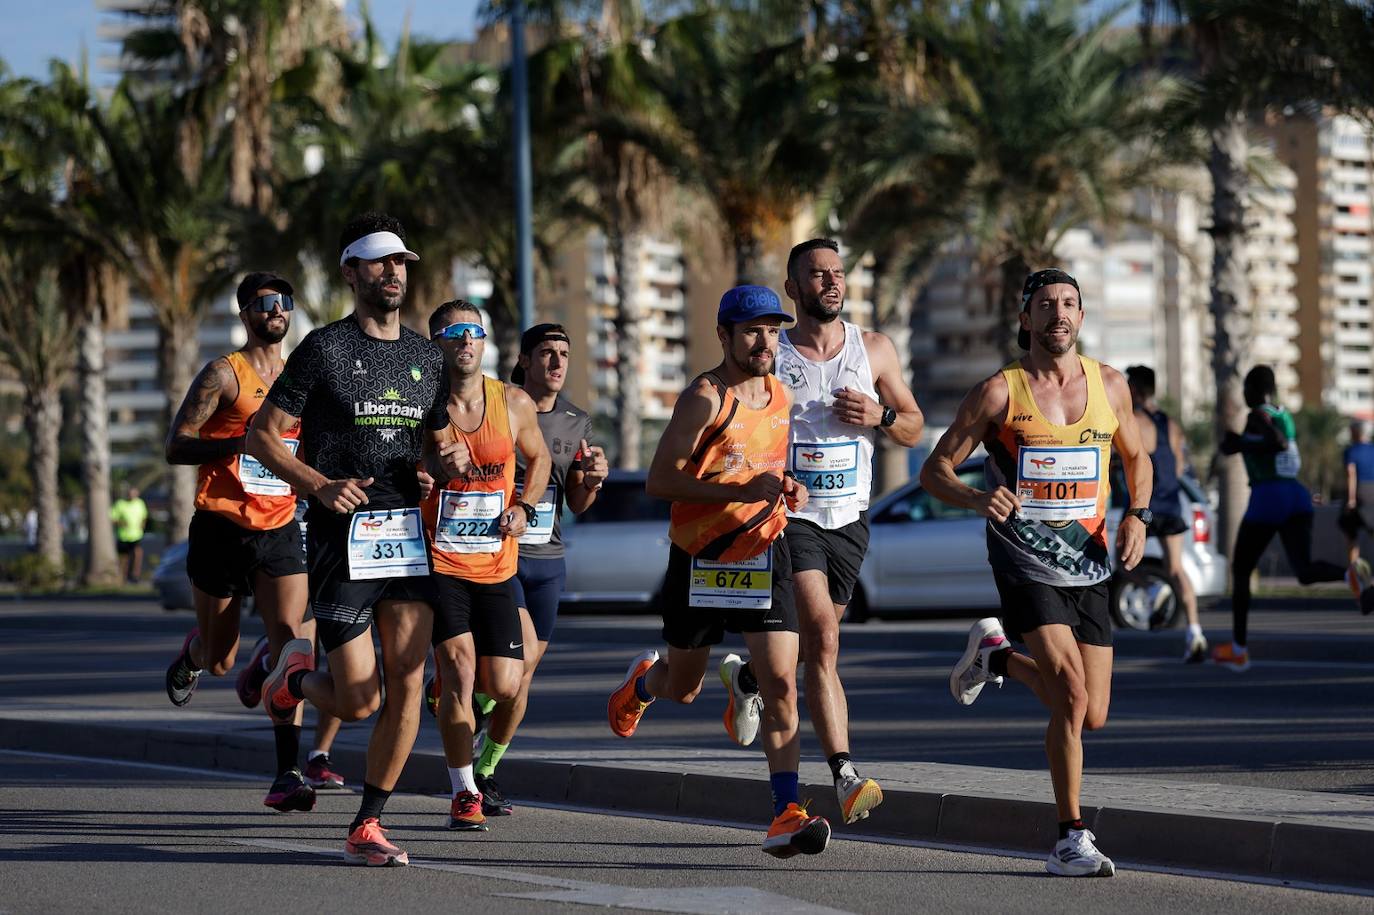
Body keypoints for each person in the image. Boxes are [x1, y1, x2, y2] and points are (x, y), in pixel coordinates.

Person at [922, 268, 1151, 878]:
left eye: (1070, 303)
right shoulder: (1000, 393)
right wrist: (977, 500)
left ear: (1081, 315)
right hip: (1024, 561)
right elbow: (935, 469)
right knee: (1071, 698)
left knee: (1091, 712)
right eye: (1046, 304)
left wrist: (1140, 515)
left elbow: (1136, 455)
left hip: (1091, 562)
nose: (1059, 314)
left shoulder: (1110, 385)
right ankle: (1069, 837)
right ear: (1025, 318)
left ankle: (995, 658)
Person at [246, 212, 451, 867]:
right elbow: (261, 434)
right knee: (360, 698)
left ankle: (368, 822)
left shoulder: (426, 356)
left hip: (406, 538)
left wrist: (438, 468)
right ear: (351, 272)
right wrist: (317, 485)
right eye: (379, 261)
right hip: (342, 540)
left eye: (401, 262)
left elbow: (435, 442)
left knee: (409, 680)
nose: (394, 271)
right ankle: (296, 681)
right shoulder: (324, 348)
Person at [607, 285, 830, 859]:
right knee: (682, 687)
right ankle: (643, 684)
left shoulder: (779, 394)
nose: (765, 342)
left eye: (773, 330)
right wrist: (735, 488)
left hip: (764, 550)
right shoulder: (705, 398)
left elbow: (765, 470)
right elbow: (660, 480)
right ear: (725, 335)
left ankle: (786, 810)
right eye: (752, 331)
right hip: (701, 558)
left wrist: (786, 489)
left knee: (782, 682)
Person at [722, 238, 924, 826]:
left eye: (837, 272)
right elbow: (731, 420)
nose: (830, 282)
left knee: (815, 646)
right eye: (816, 274)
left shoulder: (874, 349)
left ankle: (750, 678)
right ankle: (844, 773)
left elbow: (913, 426)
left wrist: (881, 416)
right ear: (792, 288)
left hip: (850, 518)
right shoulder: (769, 354)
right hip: (791, 518)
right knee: (825, 641)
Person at [162, 271, 342, 810]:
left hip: (280, 527)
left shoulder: (298, 381)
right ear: (245, 314)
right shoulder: (224, 375)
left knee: (293, 645)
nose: (277, 311)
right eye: (265, 303)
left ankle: (287, 773)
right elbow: (177, 446)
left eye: (284, 302)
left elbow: (313, 451)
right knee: (220, 659)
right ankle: (193, 654)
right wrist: (245, 442)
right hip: (220, 526)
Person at [464, 323, 608, 816]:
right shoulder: (500, 405)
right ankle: (463, 705)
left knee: (521, 681)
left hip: (549, 561)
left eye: (564, 354)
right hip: (500, 556)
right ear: (524, 360)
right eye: (546, 353)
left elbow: (577, 502)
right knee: (519, 663)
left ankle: (485, 769)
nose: (556, 363)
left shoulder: (576, 421)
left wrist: (591, 481)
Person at [418, 300, 551, 831]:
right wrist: (426, 468)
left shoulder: (513, 402)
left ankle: (447, 698)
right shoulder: (420, 405)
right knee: (458, 678)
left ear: (485, 341)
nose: (465, 341)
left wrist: (524, 505)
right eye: (453, 334)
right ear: (438, 346)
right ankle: (464, 790)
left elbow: (538, 458)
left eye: (473, 332)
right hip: (442, 563)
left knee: (505, 684)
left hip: (497, 565)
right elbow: (397, 465)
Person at [1214, 366, 1364, 668]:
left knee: (1241, 570)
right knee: (1304, 571)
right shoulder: (1284, 414)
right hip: (1297, 496)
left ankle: (1239, 648)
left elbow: (1277, 443)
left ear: (1255, 390)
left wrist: (1239, 443)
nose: (1244, 394)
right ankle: (1351, 576)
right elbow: (1280, 443)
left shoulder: (1258, 415)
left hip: (1269, 496)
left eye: (1246, 388)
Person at [1124, 365, 1207, 662]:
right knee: (1177, 570)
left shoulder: (1134, 420)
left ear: (1134, 389)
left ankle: (1151, 589)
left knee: (1124, 564)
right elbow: (1181, 466)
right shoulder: (1171, 424)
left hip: (1145, 503)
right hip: (1172, 503)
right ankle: (1195, 631)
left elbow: (1128, 459)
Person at [1338, 420, 1374, 580]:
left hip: (1360, 493)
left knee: (1351, 535)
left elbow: (1351, 473)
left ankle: (1354, 574)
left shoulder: (1351, 451)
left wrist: (1351, 499)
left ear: (1354, 433)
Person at [111, 486, 148, 583]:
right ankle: (123, 577)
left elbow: (144, 516)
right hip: (123, 536)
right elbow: (113, 518)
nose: (132, 495)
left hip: (136, 535)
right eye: (130, 493)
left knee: (137, 553)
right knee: (124, 557)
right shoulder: (120, 504)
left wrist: (142, 524)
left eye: (134, 493)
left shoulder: (140, 503)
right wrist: (121, 523)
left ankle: (135, 576)